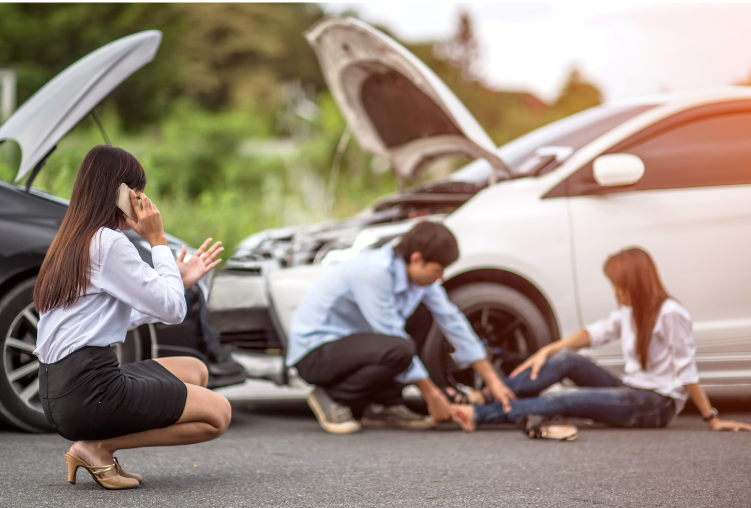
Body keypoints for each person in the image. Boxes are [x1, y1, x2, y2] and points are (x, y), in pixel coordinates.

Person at [34, 145, 231, 490]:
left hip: (61, 388)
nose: (142, 199)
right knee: (218, 414)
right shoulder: (109, 242)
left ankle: (94, 445)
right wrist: (158, 241)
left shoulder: (74, 239)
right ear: (118, 193)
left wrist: (178, 279)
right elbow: (173, 311)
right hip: (89, 390)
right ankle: (98, 447)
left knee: (195, 370)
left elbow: (115, 317)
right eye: (135, 190)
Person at [451, 247, 751, 437]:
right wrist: (548, 350)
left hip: (656, 404)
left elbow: (687, 372)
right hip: (631, 390)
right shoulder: (631, 311)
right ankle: (485, 397)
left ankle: (477, 413)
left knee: (564, 400)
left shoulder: (671, 314)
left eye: (621, 287)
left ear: (639, 284)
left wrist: (712, 418)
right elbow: (594, 334)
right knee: (567, 360)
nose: (617, 293)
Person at [287, 221, 516, 434]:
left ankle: (383, 405)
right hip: (315, 352)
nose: (442, 277)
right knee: (400, 347)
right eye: (438, 270)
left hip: (352, 345)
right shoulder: (373, 272)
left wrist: (493, 381)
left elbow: (452, 320)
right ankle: (332, 397)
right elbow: (390, 334)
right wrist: (432, 395)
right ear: (417, 259)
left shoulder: (419, 281)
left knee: (423, 315)